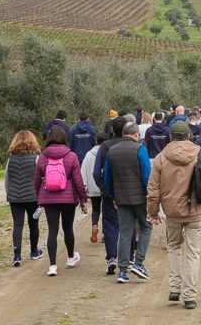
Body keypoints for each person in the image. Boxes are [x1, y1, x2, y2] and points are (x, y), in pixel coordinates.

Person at [147, 122, 201, 310]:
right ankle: (190, 296)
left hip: (172, 212)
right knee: (193, 253)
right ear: (189, 135)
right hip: (196, 211)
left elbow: (153, 189)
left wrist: (153, 212)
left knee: (173, 247)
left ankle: (174, 288)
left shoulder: (161, 158)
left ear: (171, 137)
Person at [34, 127, 89, 276]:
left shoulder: (43, 157)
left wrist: (39, 197)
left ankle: (52, 266)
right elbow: (78, 180)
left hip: (49, 197)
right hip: (68, 198)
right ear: (65, 138)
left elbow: (37, 180)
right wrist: (83, 198)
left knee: (52, 230)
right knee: (68, 228)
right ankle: (71, 257)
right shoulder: (71, 156)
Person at [104, 123, 153, 283]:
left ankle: (123, 271)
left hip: (121, 198)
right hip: (140, 198)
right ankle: (138, 262)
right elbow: (147, 175)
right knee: (146, 227)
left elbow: (107, 177)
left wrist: (113, 196)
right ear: (136, 135)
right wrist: (150, 195)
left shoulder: (112, 151)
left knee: (125, 233)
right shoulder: (140, 149)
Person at [93, 116, 130, 275]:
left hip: (110, 193)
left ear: (111, 130)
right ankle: (128, 258)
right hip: (130, 192)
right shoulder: (135, 145)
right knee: (129, 225)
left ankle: (112, 257)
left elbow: (96, 172)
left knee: (110, 225)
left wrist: (104, 189)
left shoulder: (105, 146)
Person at [5, 130, 44, 266]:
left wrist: (9, 193)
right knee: (33, 224)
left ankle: (17, 256)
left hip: (15, 198)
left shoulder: (11, 158)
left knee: (17, 225)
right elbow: (40, 178)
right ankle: (34, 251)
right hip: (32, 197)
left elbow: (7, 179)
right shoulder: (36, 158)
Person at [82, 133, 109, 244]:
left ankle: (94, 225)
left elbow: (83, 171)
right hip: (104, 185)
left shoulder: (88, 154)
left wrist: (85, 186)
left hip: (92, 186)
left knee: (96, 209)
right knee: (106, 210)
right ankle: (104, 234)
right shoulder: (107, 152)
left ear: (96, 141)